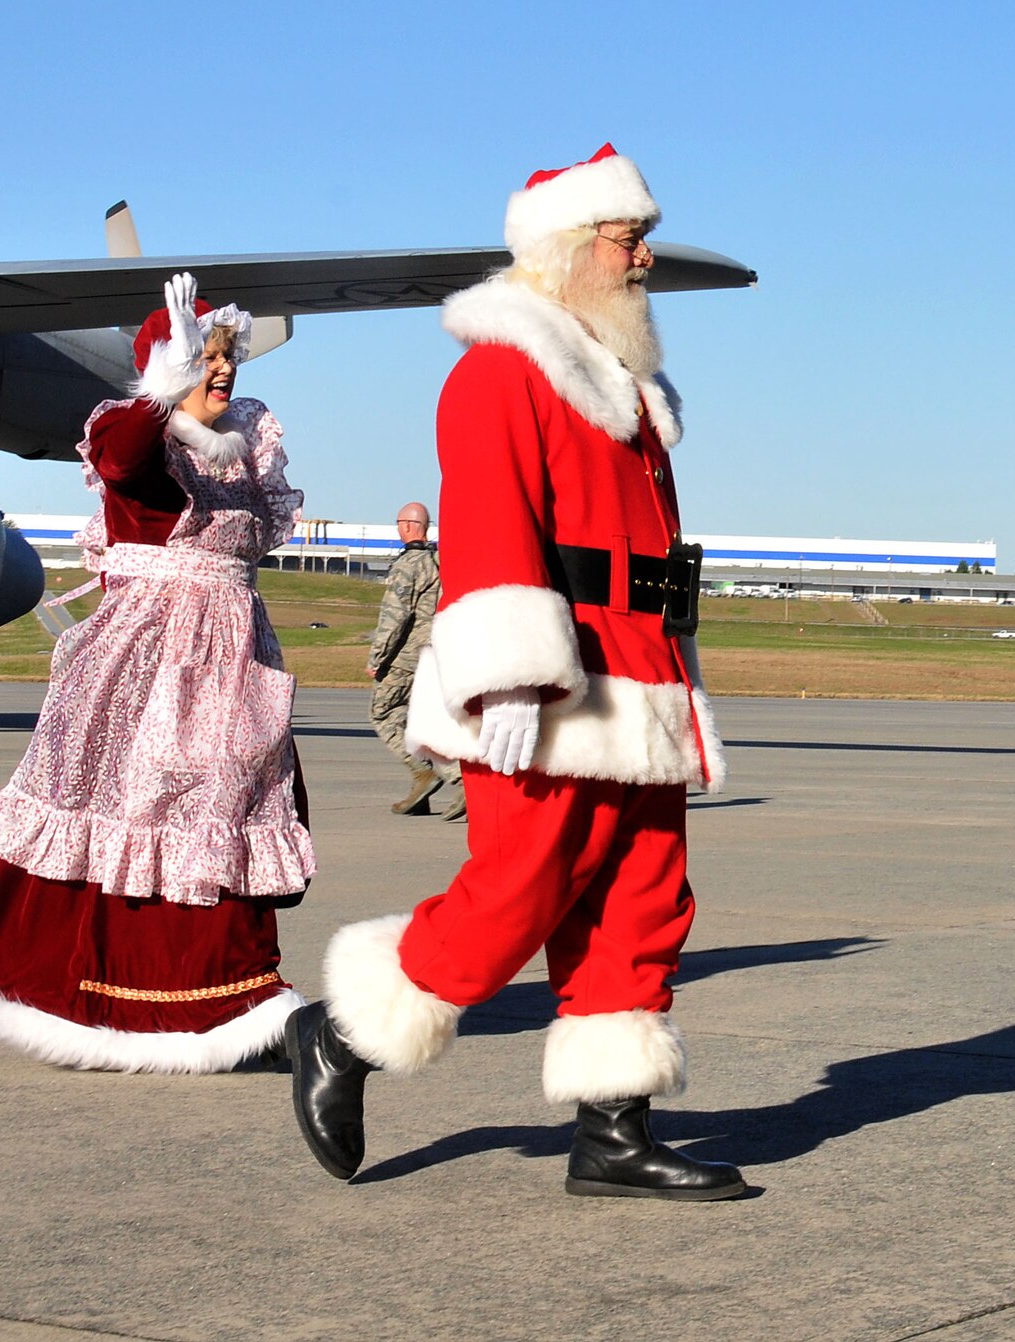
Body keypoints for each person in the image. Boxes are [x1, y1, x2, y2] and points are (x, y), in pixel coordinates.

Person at [286, 145, 746, 1199]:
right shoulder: (501, 368)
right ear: (566, 249)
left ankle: (612, 1130)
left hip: (638, 670)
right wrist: (506, 676)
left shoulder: (624, 382)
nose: (642, 260)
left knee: (644, 892)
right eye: (626, 240)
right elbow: (493, 524)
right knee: (521, 886)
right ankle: (343, 1036)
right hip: (549, 676)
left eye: (639, 239)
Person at [0, 273, 314, 1073]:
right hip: (153, 664)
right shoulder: (144, 439)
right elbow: (119, 457)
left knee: (231, 808)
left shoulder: (244, 452)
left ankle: (231, 996)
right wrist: (159, 390)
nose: (221, 373)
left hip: (236, 660)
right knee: (149, 805)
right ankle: (156, 996)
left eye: (226, 360)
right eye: (204, 361)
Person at [366, 501, 463, 819]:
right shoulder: (440, 561)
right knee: (421, 719)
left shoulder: (409, 565)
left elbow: (395, 617)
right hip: (438, 651)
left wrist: (378, 658)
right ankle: (439, 784)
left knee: (383, 713)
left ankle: (437, 774)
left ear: (406, 526)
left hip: (407, 655)